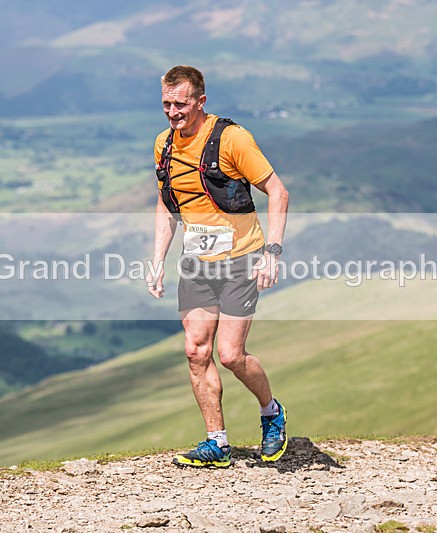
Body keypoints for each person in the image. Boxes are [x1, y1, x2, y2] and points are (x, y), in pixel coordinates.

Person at [146, 65, 290, 467]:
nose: (173, 112)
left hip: (241, 260)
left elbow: (278, 192)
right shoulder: (164, 144)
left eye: (181, 104)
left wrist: (272, 252)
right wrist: (157, 260)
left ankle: (271, 412)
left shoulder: (232, 139)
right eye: (166, 104)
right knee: (195, 351)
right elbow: (166, 204)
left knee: (230, 355)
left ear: (201, 102)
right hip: (196, 264)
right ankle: (217, 442)